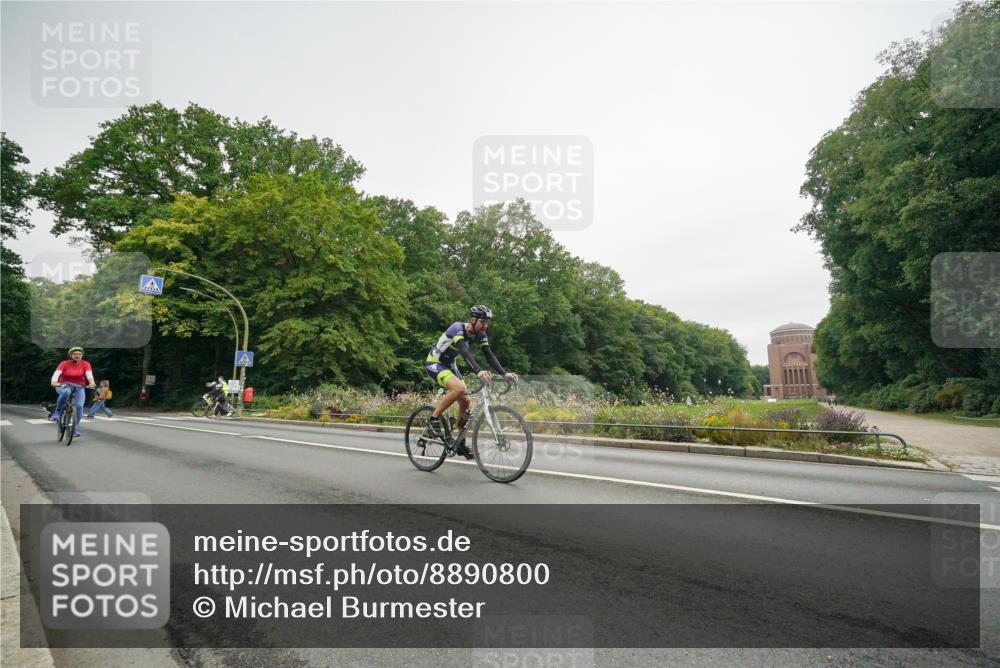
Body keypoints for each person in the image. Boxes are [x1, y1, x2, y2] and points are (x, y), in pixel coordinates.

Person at [424, 305, 517, 458]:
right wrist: (479, 371)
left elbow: (489, 355)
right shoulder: (457, 329)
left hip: (450, 366)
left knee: (466, 402)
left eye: (487, 322)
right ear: (473, 320)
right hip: (435, 363)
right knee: (459, 388)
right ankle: (433, 419)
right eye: (483, 322)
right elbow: (464, 352)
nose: (485, 326)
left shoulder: (481, 334)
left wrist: (504, 373)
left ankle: (460, 443)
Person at [49, 346, 97, 437]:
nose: (77, 356)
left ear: (82, 355)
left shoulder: (85, 364)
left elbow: (89, 375)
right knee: (66, 392)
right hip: (63, 385)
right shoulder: (64, 363)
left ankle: (75, 428)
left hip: (79, 387)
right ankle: (57, 412)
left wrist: (92, 382)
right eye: (75, 354)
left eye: (79, 354)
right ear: (71, 355)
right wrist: (54, 382)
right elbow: (57, 373)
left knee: (79, 406)